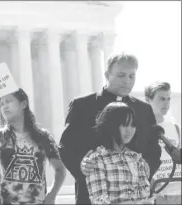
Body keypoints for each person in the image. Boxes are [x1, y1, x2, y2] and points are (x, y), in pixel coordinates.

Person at [59, 53, 161, 204]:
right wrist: (81, 164)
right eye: (121, 75)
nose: (127, 81)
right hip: (93, 194)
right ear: (107, 74)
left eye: (131, 76)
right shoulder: (83, 105)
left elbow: (154, 149)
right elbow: (65, 146)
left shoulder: (144, 110)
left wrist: (147, 166)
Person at [0, 89, 67, 204]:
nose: (4, 107)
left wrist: (52, 195)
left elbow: (60, 169)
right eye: (1, 104)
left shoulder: (43, 137)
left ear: (23, 104)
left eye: (8, 101)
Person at [85, 102, 155, 205]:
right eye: (124, 125)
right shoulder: (97, 159)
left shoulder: (136, 157)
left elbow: (145, 195)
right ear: (110, 125)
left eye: (133, 125)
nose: (130, 130)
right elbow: (99, 201)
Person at [145, 81, 181, 204]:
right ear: (148, 100)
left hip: (178, 192)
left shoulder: (177, 128)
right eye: (161, 99)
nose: (166, 104)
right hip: (156, 194)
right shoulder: (140, 129)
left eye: (168, 99)